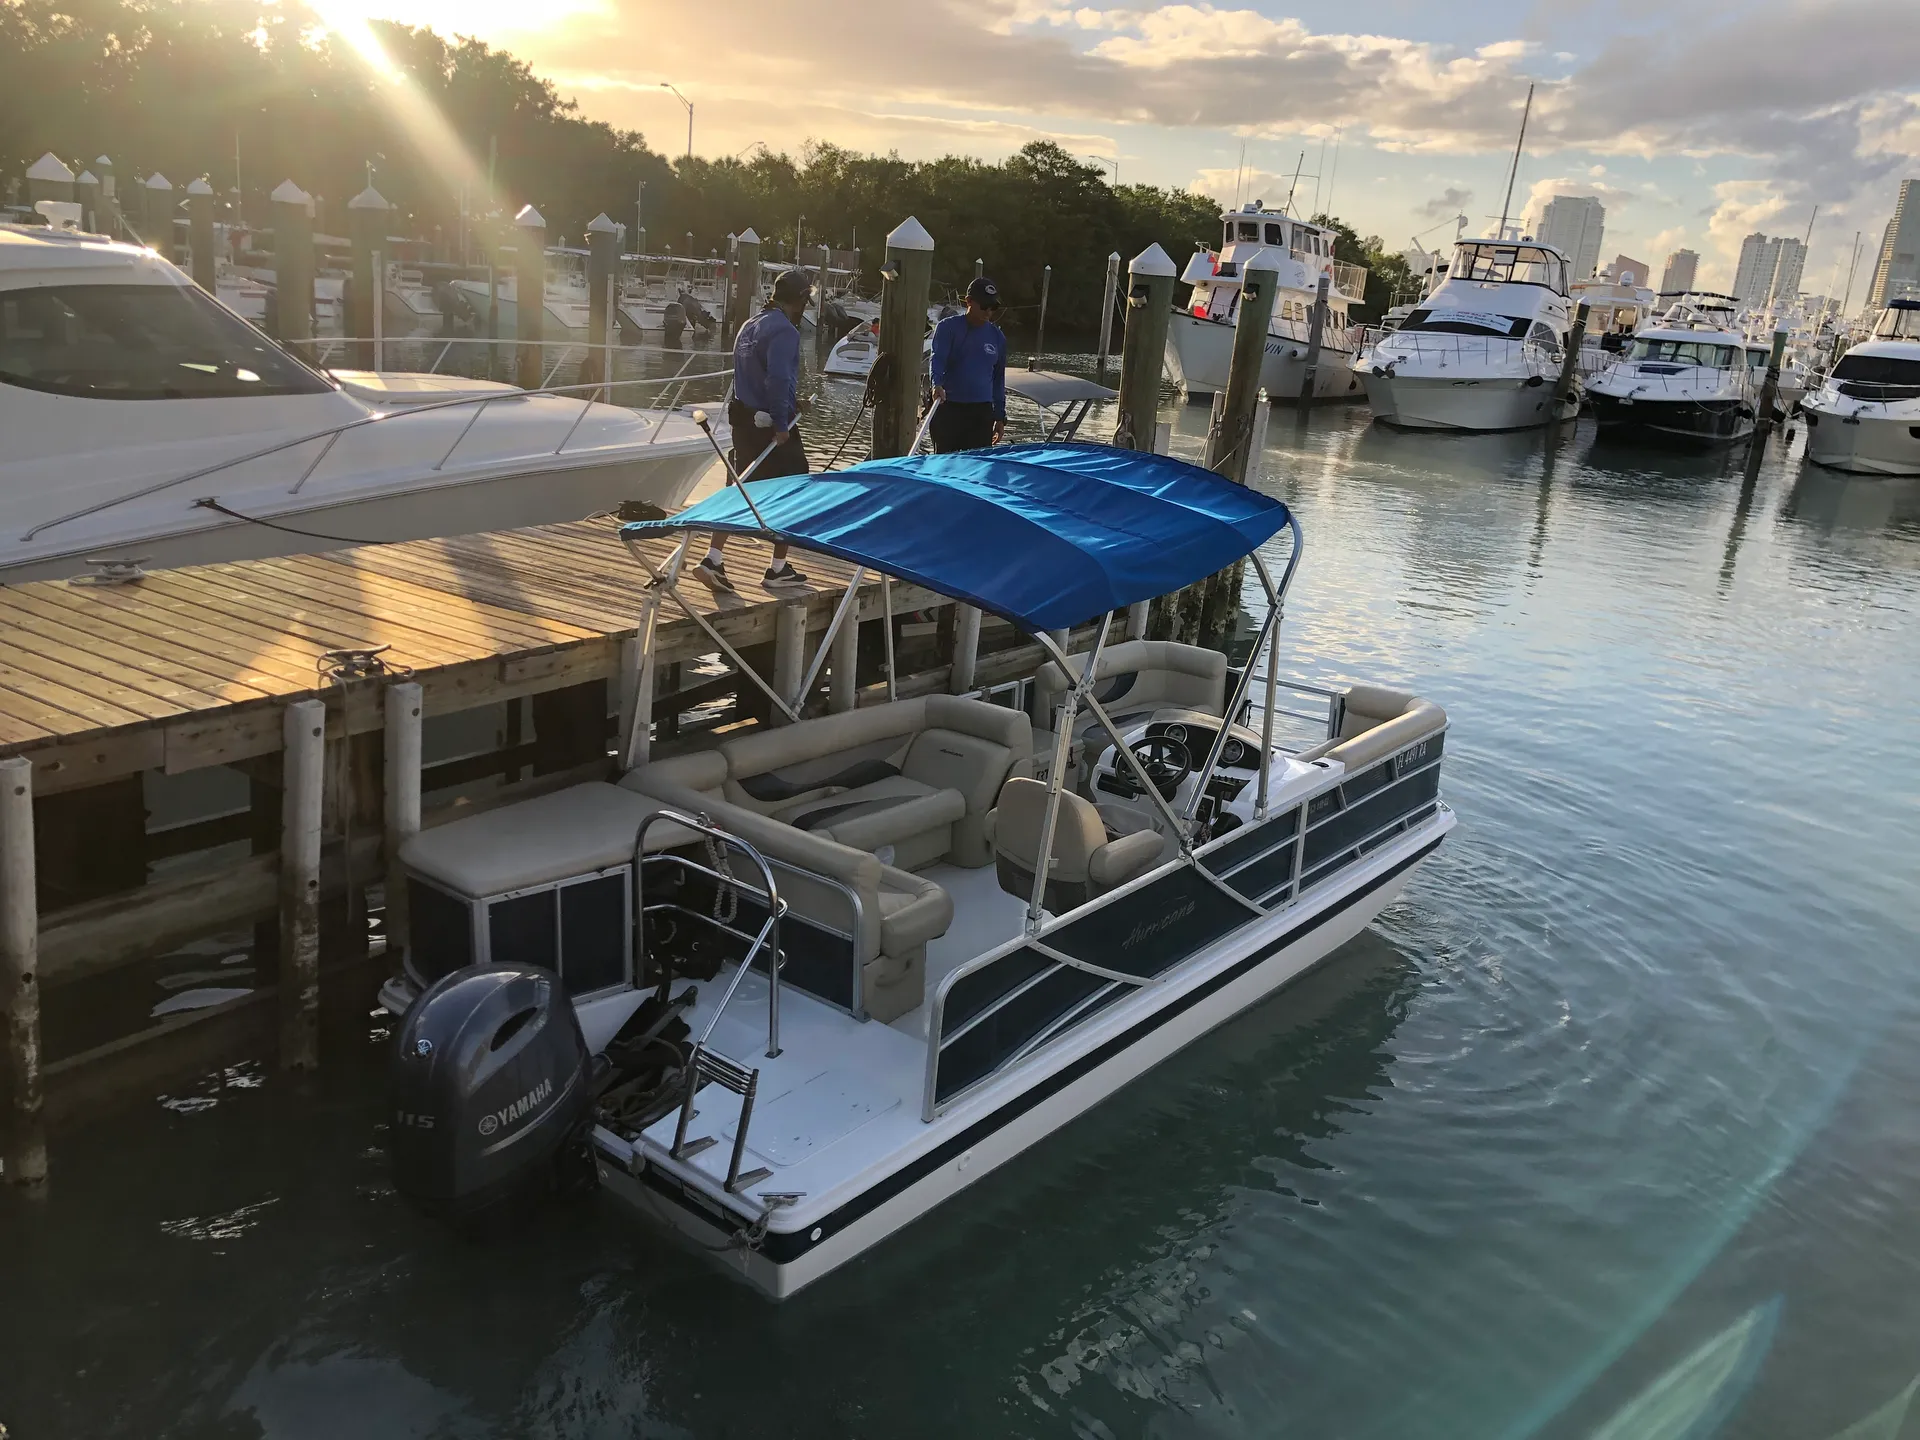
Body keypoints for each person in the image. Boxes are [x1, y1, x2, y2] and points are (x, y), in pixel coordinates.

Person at [696, 267, 812, 593]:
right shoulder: (785, 331)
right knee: (793, 487)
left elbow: (751, 378)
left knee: (739, 487)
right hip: (771, 425)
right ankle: (777, 569)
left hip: (743, 421)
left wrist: (793, 402)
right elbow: (777, 378)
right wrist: (781, 423)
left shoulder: (749, 326)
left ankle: (714, 557)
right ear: (800, 300)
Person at [929, 276, 1008, 452]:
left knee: (977, 463)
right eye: (984, 306)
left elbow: (998, 379)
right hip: (949, 408)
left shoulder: (998, 337)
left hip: (981, 413)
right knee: (945, 461)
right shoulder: (947, 328)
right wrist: (936, 384)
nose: (988, 312)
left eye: (993, 307)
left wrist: (999, 416)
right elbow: (938, 359)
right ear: (969, 301)